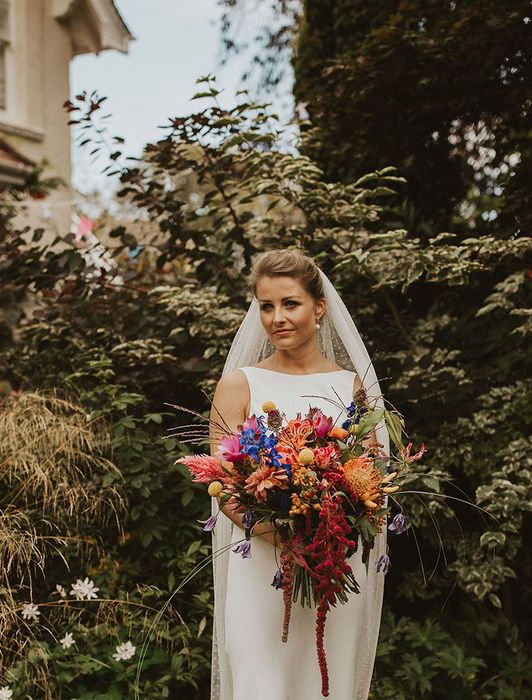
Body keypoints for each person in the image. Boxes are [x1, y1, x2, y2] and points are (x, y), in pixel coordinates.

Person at [208, 249, 390, 699]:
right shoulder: (238, 385)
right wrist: (277, 531)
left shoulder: (349, 387)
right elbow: (222, 483)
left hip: (332, 563)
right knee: (260, 683)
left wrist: (326, 525)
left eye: (290, 303)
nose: (276, 318)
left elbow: (372, 481)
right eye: (266, 306)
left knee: (328, 684)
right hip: (262, 567)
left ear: (319, 307)